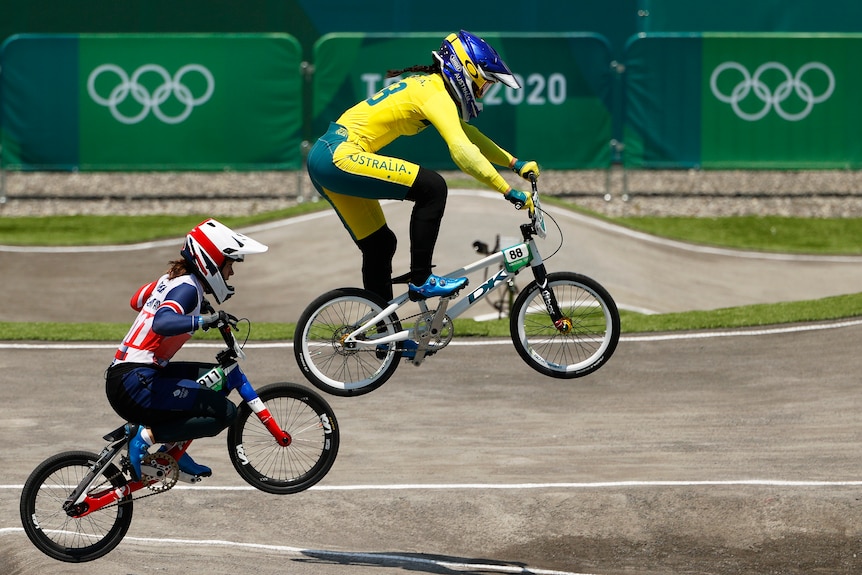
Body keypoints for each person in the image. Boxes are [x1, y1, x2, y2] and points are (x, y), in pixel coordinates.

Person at [306, 30, 541, 325]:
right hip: (339, 156)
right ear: (467, 71)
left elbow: (469, 136)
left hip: (325, 156)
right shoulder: (436, 93)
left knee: (380, 246)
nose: (483, 93)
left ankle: (381, 329)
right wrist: (508, 190)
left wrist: (514, 163)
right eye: (484, 84)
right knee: (433, 187)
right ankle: (422, 278)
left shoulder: (430, 88)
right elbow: (462, 150)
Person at [105, 218, 268, 481]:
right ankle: (143, 439)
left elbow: (136, 300)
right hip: (135, 384)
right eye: (229, 265)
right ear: (212, 262)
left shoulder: (174, 281)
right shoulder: (188, 289)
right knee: (225, 412)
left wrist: (190, 306)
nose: (231, 273)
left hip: (132, 375)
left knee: (219, 378)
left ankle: (173, 449)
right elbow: (162, 322)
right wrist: (203, 319)